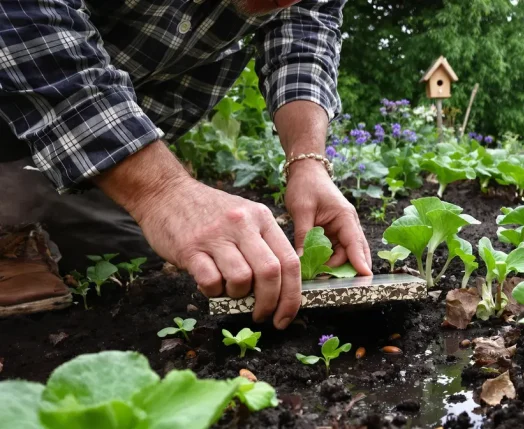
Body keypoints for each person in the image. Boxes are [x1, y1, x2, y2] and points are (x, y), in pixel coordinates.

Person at [0, 0, 372, 327]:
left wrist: (308, 164)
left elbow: (304, 36)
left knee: (139, 260)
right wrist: (161, 191)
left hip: (97, 145)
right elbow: (23, 17)